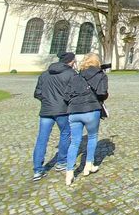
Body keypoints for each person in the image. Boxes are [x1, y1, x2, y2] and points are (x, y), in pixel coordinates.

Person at [64, 52, 109, 186]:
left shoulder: (76, 76)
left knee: (74, 142)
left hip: (74, 112)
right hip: (91, 110)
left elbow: (67, 96)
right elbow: (102, 93)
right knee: (92, 137)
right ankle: (88, 165)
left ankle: (69, 172)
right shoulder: (101, 75)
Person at [32, 52, 76, 181]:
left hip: (46, 110)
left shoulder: (44, 74)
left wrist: (47, 101)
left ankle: (37, 169)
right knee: (65, 133)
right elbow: (73, 93)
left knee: (42, 138)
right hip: (62, 110)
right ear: (71, 61)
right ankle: (62, 162)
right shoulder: (71, 74)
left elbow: (37, 93)